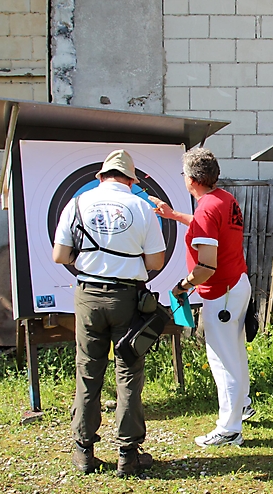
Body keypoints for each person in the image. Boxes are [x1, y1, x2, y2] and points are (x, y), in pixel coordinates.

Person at [52, 149, 166, 476]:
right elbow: (156, 262)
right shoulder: (141, 207)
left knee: (88, 371)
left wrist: (89, 260)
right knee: (128, 372)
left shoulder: (77, 203)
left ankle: (83, 451)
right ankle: (128, 454)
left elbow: (60, 255)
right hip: (127, 298)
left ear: (100, 177)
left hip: (88, 295)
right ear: (131, 181)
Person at [150, 147, 253, 447]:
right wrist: (173, 215)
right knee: (234, 353)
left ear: (192, 180)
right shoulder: (224, 199)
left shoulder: (207, 207)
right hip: (236, 284)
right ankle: (242, 406)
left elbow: (207, 266)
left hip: (221, 291)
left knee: (222, 359)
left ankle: (229, 428)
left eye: (184, 173)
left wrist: (183, 286)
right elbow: (205, 223)